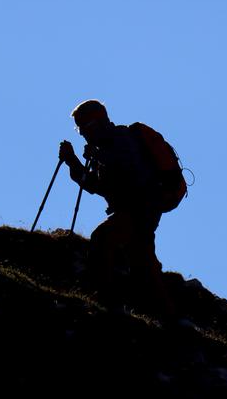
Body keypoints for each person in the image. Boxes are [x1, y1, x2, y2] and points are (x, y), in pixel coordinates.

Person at [59, 100, 173, 315]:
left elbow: (131, 172)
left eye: (84, 126)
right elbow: (97, 186)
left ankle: (106, 304)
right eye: (78, 128)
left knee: (103, 239)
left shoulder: (121, 138)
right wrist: (73, 161)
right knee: (141, 261)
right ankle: (167, 318)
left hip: (139, 206)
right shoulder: (104, 146)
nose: (82, 133)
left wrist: (97, 155)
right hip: (138, 209)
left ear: (98, 122)